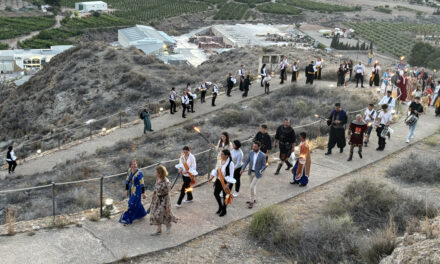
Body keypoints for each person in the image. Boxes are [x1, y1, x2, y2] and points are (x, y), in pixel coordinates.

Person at [149, 165, 178, 236]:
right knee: (155, 214)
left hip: (164, 201)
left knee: (165, 214)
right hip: (156, 200)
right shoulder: (158, 178)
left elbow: (167, 194)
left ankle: (168, 225)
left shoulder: (166, 182)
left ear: (160, 172)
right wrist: (153, 196)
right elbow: (156, 189)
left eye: (156, 172)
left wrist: (168, 205)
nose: (155, 173)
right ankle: (159, 230)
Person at [119, 160, 147, 225]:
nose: (134, 165)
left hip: (137, 190)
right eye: (132, 164)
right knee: (137, 203)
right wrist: (126, 190)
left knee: (131, 203)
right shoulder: (129, 170)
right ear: (130, 165)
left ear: (137, 165)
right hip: (131, 189)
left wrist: (143, 193)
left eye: (135, 164)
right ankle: (142, 213)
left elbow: (142, 183)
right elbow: (127, 180)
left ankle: (127, 218)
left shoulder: (139, 173)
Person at [209, 149, 236, 217]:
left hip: (226, 182)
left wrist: (228, 184)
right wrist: (212, 176)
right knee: (216, 193)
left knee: (225, 196)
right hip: (219, 180)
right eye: (221, 154)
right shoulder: (219, 161)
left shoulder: (230, 163)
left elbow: (231, 175)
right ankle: (220, 206)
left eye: (222, 154)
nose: (221, 155)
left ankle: (224, 210)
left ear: (227, 156)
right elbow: (216, 170)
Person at [240, 141, 267, 209]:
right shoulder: (251, 152)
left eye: (255, 146)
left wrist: (261, 170)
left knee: (251, 186)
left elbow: (264, 165)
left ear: (259, 147)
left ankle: (251, 201)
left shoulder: (263, 155)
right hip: (250, 172)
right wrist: (242, 169)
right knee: (253, 186)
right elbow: (247, 161)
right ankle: (254, 198)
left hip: (258, 173)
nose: (253, 148)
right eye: (253, 146)